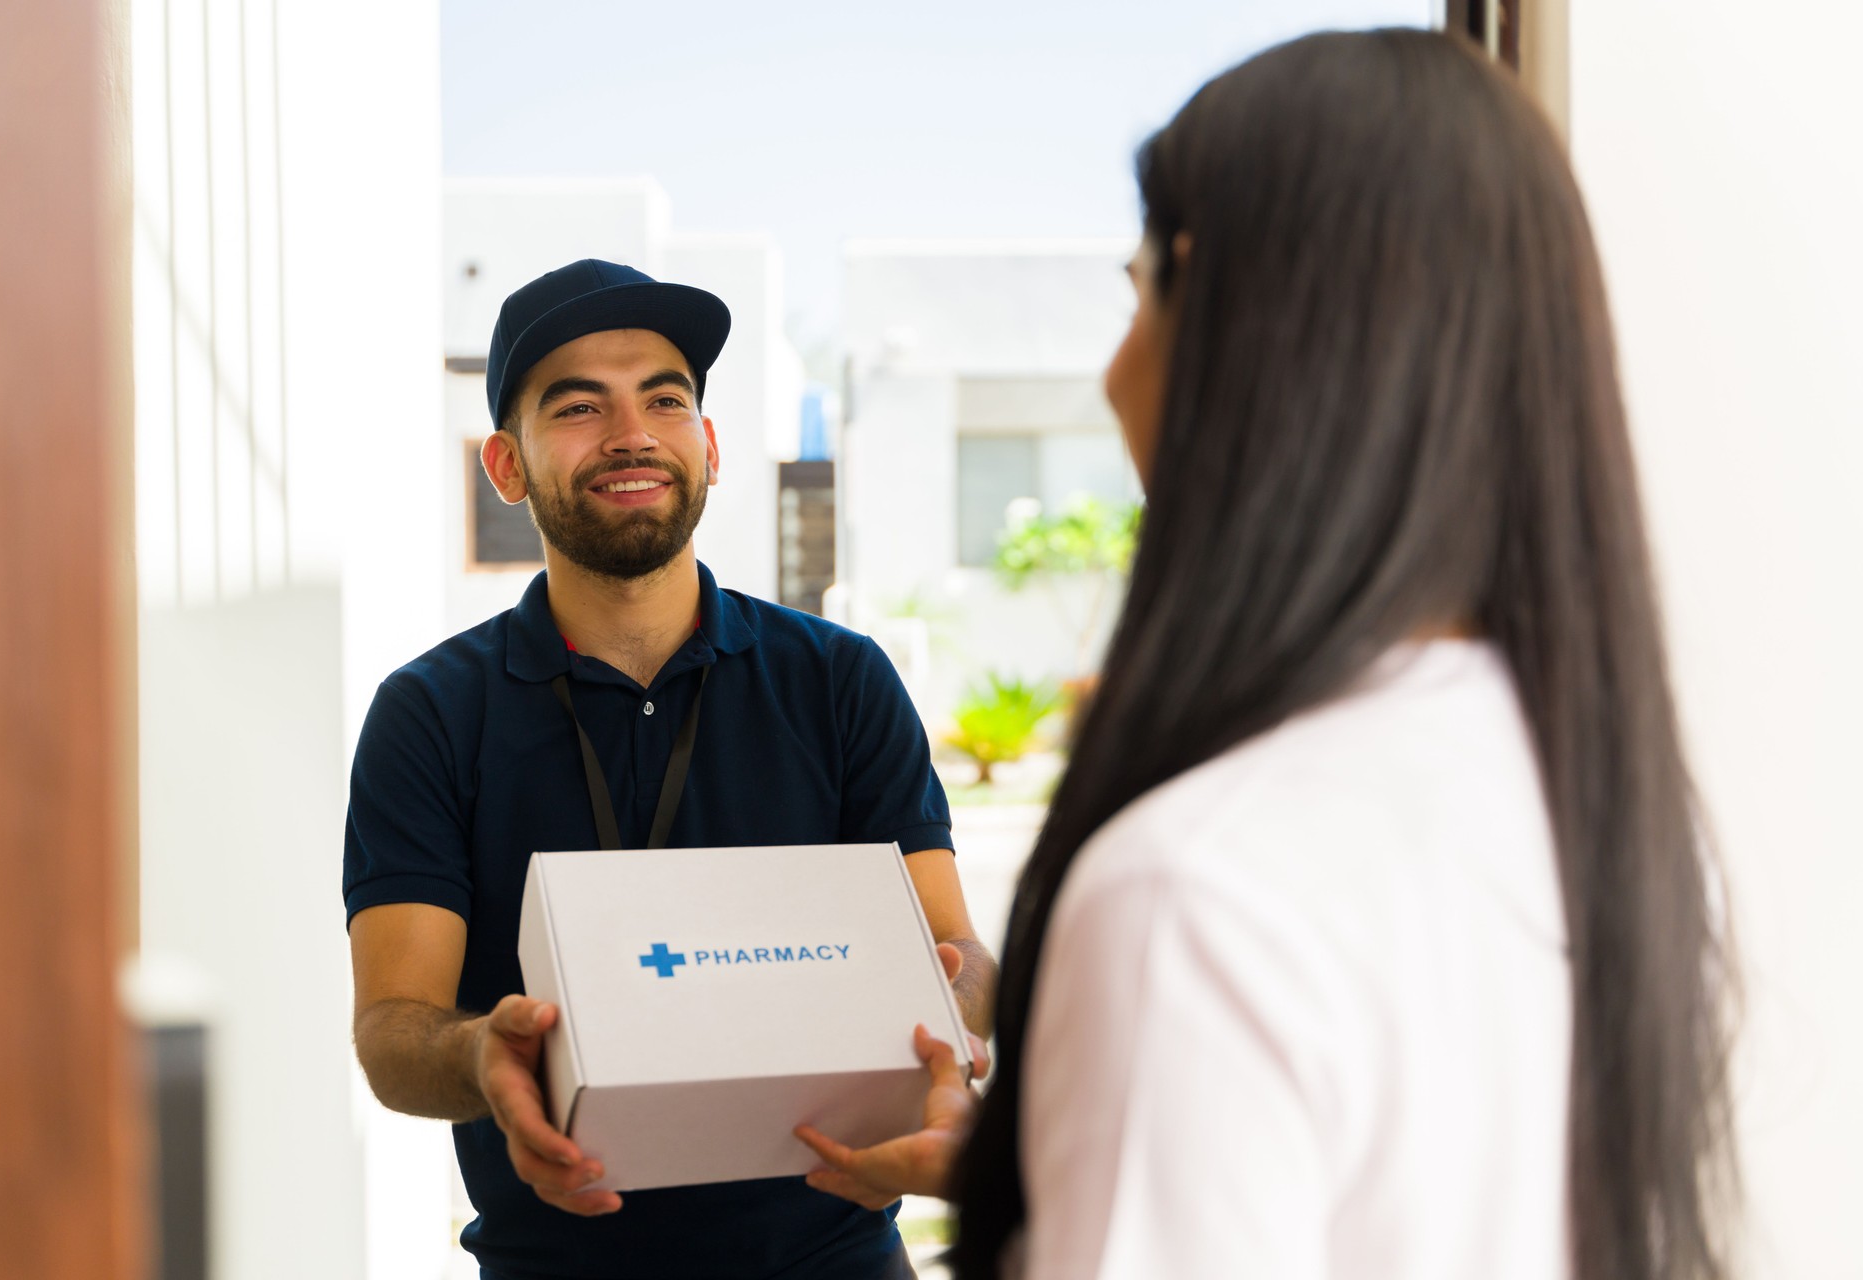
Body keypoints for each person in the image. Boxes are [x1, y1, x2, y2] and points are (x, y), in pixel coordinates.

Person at [796, 29, 1739, 1280]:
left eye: (1140, 294)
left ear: (1253, 334)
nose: (1113, 373)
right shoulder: (1598, 804)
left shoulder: (1191, 892)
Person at [343, 258, 997, 1280]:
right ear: (506, 466)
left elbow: (954, 950)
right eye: (579, 406)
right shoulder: (432, 712)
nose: (631, 433)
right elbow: (393, 1026)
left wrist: (964, 1031)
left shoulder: (838, 679)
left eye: (665, 397)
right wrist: (482, 1051)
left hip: (835, 1252)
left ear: (711, 445)